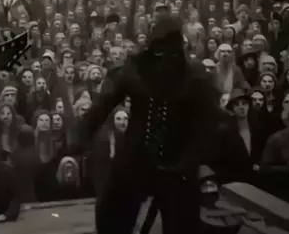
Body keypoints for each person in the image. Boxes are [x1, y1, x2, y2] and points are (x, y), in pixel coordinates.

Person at [70, 15, 223, 234]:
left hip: (178, 160)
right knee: (112, 215)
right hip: (136, 157)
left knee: (182, 222)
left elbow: (210, 121)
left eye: (170, 50)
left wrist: (190, 158)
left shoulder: (194, 75)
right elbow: (105, 104)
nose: (164, 57)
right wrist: (81, 135)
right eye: (159, 50)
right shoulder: (135, 69)